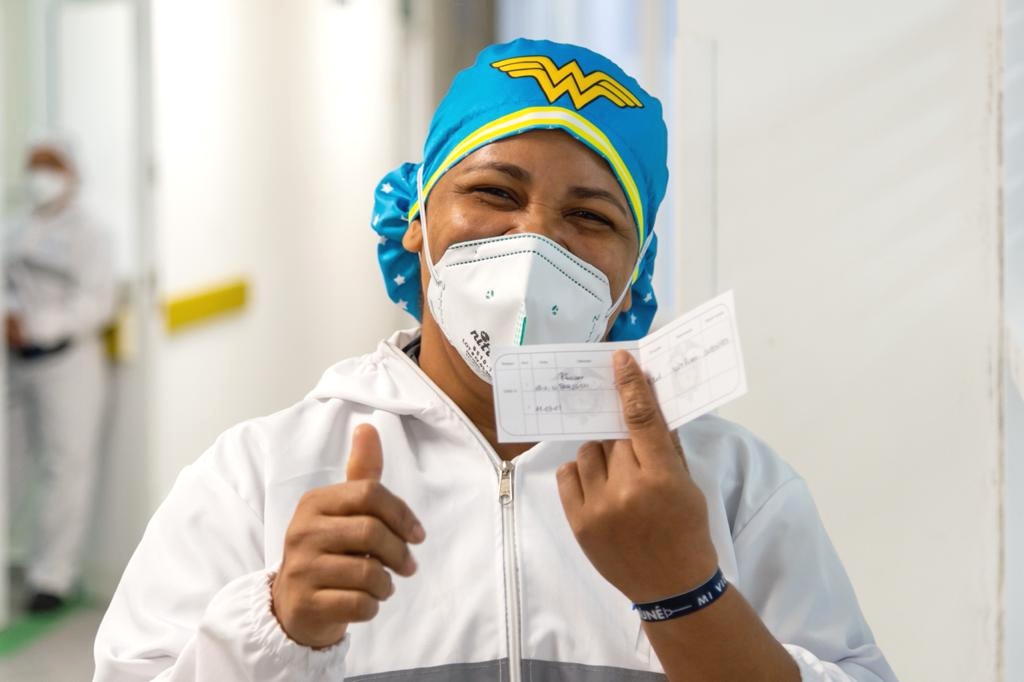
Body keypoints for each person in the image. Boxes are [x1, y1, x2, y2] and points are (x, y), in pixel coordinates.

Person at [93, 39, 897, 681]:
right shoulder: (260, 478)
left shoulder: (725, 486)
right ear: (416, 220)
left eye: (589, 216)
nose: (533, 240)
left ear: (632, 278)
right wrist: (277, 627)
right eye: (494, 193)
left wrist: (686, 592)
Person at [5, 137, 115, 613]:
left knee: (66, 466)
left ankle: (53, 576)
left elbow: (97, 302)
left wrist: (39, 326)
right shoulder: (13, 226)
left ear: (71, 172)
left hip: (68, 363)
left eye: (49, 166)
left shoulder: (92, 233)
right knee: (11, 465)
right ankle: (18, 560)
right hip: (14, 361)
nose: (39, 176)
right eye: (33, 166)